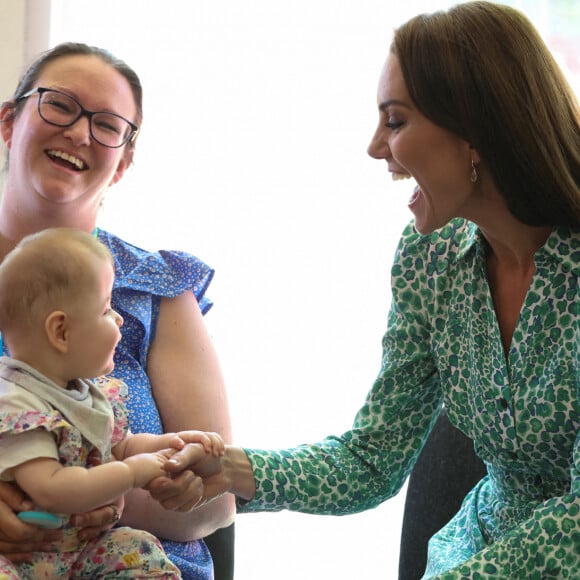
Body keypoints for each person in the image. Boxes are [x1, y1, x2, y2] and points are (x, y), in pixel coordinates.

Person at [162, 2, 580, 578]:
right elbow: (372, 459)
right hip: (470, 551)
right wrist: (232, 470)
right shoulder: (428, 259)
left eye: (396, 120)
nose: (375, 147)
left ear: (476, 131)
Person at [0, 43, 235, 580]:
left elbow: (219, 502)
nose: (79, 133)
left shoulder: (160, 291)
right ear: (10, 122)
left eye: (107, 124)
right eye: (59, 106)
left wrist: (91, 494)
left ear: (124, 160)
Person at [0, 227, 226, 578]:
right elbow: (51, 489)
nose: (118, 318)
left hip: (82, 550)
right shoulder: (20, 407)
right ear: (61, 332)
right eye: (106, 310)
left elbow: (117, 447)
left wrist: (169, 447)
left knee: (136, 549)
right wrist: (132, 474)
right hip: (27, 560)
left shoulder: (90, 392)